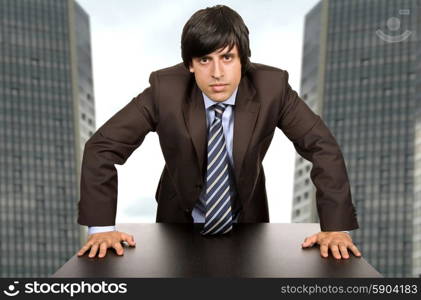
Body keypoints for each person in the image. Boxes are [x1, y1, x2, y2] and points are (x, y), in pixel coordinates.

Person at [77, 5, 361, 260]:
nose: (217, 73)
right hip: (177, 223)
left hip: (248, 222)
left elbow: (322, 145)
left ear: (243, 60)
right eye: (204, 60)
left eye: (227, 57)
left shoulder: (273, 88)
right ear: (190, 65)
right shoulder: (165, 90)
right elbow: (101, 147)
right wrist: (102, 229)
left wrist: (336, 228)